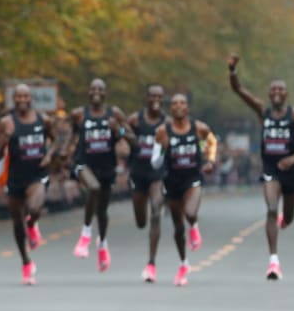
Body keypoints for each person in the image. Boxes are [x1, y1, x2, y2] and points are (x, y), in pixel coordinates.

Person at [227, 55, 294, 280]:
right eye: (273, 90)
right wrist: (232, 71)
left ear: (286, 94)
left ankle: (285, 220)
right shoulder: (263, 111)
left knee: (287, 217)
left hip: (292, 172)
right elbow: (239, 90)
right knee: (271, 209)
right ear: (269, 94)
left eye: (281, 89)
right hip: (271, 169)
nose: (277, 92)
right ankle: (273, 262)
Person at [150, 93, 216, 286]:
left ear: (188, 108)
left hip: (193, 178)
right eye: (175, 103)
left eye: (182, 103)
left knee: (190, 212)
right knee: (178, 228)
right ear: (170, 108)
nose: (178, 106)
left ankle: (194, 226)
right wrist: (163, 149)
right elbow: (155, 163)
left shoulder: (199, 128)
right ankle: (183, 264)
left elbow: (212, 142)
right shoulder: (162, 132)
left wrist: (210, 161)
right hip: (172, 181)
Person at [0, 84, 56, 285]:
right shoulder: (6, 122)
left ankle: (32, 223)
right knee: (17, 223)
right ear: (14, 99)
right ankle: (26, 263)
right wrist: (5, 138)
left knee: (35, 208)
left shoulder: (43, 120)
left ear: (30, 98)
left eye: (25, 96)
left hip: (37, 174)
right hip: (15, 177)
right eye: (18, 97)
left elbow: (55, 141)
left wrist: (49, 155)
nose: (22, 100)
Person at [65, 78, 126, 271]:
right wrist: (64, 152)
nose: (96, 92)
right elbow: (70, 135)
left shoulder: (114, 114)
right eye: (93, 89)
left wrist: (118, 129)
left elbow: (126, 134)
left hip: (106, 166)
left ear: (105, 93)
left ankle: (102, 245)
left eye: (100, 89)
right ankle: (85, 234)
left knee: (102, 211)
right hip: (84, 163)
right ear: (88, 92)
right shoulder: (79, 114)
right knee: (93, 187)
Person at [125, 84, 167, 282]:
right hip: (138, 173)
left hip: (157, 174)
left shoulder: (167, 122)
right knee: (141, 222)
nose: (156, 100)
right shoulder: (135, 119)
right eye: (152, 96)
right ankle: (144, 217)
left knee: (156, 211)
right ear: (147, 98)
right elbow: (122, 136)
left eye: (159, 96)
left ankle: (151, 263)